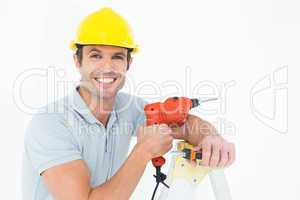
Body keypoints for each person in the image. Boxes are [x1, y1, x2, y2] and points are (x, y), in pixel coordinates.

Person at [22, 7, 235, 200]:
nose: (107, 66)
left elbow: (186, 124)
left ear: (128, 63)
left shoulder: (128, 108)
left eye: (117, 57)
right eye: (95, 55)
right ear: (77, 61)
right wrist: (142, 152)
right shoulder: (50, 124)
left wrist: (211, 138)